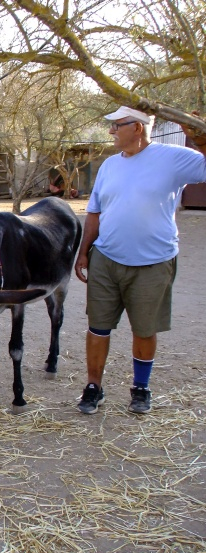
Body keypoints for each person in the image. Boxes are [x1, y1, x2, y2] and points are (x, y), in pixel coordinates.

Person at [74, 106, 206, 415]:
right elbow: (94, 212)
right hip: (106, 259)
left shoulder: (172, 158)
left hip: (153, 262)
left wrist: (200, 138)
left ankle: (141, 388)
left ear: (138, 127)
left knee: (145, 329)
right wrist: (83, 252)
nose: (111, 132)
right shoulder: (108, 166)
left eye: (117, 126)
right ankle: (94, 387)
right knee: (98, 327)